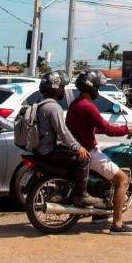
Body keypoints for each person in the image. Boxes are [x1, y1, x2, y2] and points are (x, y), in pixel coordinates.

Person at [67, 70, 132, 236]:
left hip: (79, 149)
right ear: (92, 87)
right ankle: (117, 224)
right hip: (90, 153)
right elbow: (108, 130)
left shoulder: (75, 104)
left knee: (108, 174)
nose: (99, 90)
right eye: (98, 86)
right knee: (123, 180)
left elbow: (90, 127)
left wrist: (113, 128)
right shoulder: (88, 107)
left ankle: (100, 214)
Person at [33, 72, 94, 206]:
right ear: (57, 87)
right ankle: (81, 194)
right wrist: (78, 147)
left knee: (70, 155)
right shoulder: (54, 107)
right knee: (84, 158)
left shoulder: (40, 103)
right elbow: (64, 132)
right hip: (48, 150)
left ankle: (65, 188)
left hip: (39, 148)